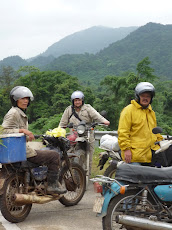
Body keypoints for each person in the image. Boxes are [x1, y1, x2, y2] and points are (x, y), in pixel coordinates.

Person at [2, 86, 66, 194]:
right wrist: (23, 131)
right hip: (22, 152)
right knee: (54, 156)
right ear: (15, 100)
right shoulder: (13, 113)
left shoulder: (19, 112)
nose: (25, 101)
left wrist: (27, 135)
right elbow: (3, 132)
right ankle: (52, 185)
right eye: (22, 98)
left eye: (27, 99)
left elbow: (15, 132)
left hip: (18, 150)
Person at [59, 90, 110, 174]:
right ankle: (68, 173)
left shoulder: (88, 108)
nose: (77, 102)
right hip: (74, 133)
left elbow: (97, 116)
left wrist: (105, 121)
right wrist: (60, 131)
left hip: (87, 133)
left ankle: (87, 175)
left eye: (79, 100)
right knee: (67, 152)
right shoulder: (69, 110)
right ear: (73, 101)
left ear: (82, 100)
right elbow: (62, 123)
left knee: (89, 155)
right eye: (75, 100)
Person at [118, 82, 163, 166]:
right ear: (138, 96)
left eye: (148, 96)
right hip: (134, 155)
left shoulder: (151, 112)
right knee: (136, 178)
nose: (145, 98)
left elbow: (155, 132)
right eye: (143, 96)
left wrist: (161, 142)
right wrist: (126, 149)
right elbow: (123, 132)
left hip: (150, 155)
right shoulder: (128, 110)